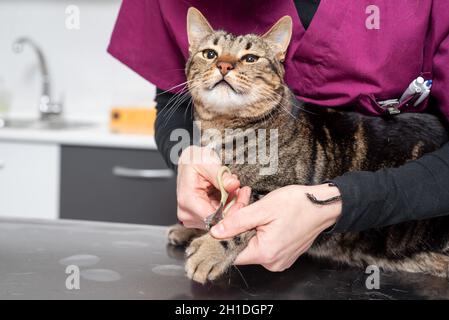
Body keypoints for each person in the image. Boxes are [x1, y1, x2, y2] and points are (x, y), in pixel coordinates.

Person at [109, 0, 449, 272]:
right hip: (270, 274)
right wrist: (185, 157)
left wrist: (335, 205)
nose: (225, 67)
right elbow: (173, 97)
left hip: (409, 236)